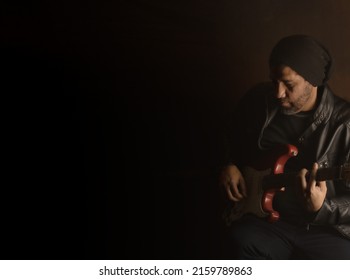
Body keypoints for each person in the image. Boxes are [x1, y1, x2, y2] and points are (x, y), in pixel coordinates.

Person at [219, 35, 350, 259]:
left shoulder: (346, 124)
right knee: (240, 243)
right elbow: (228, 136)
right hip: (266, 222)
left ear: (313, 80)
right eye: (274, 82)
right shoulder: (258, 100)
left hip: (326, 231)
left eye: (289, 85)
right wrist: (228, 164)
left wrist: (321, 208)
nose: (278, 93)